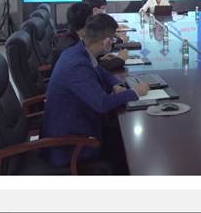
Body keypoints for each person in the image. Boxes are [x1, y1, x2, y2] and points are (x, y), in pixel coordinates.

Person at [41, 14, 149, 170]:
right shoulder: (77, 66)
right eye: (113, 39)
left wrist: (116, 84)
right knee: (128, 145)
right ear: (106, 42)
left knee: (120, 131)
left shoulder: (78, 51)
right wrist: (134, 92)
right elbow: (102, 104)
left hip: (78, 124)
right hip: (70, 146)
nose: (113, 42)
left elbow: (101, 72)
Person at [52, 2, 128, 70]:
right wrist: (119, 60)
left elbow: (89, 62)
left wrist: (97, 58)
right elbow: (88, 69)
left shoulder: (74, 36)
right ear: (88, 22)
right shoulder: (71, 46)